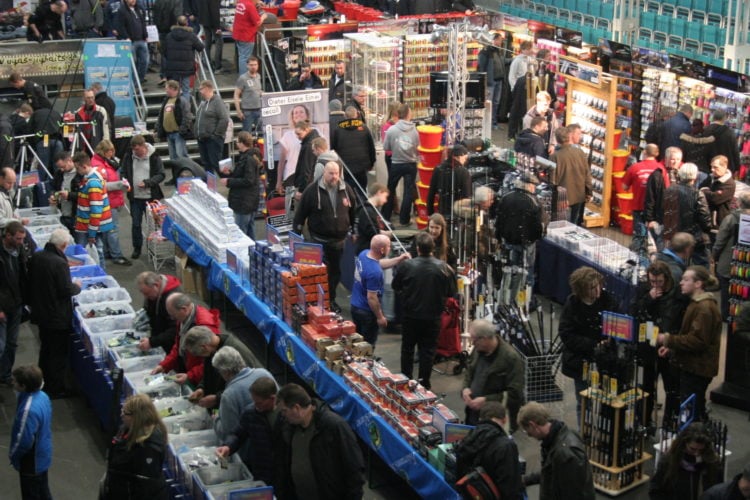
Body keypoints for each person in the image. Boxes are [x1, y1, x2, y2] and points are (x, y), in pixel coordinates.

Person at [275, 383, 365, 500]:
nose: (282, 415)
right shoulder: (288, 427)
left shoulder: (333, 426)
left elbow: (354, 469)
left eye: (284, 411)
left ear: (296, 408)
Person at [657, 266, 722, 420]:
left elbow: (697, 341)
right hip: (691, 366)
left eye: (686, 279)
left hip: (697, 369)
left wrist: (666, 339)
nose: (681, 283)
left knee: (693, 412)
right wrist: (672, 348)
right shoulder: (696, 304)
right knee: (693, 408)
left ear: (698, 283)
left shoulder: (704, 308)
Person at [392, 231, 456, 389]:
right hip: (433, 317)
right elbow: (451, 292)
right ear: (432, 248)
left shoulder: (406, 266)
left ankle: (405, 381)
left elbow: (396, 286)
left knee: (407, 349)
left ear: (418, 248)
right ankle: (424, 383)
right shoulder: (444, 268)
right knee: (427, 351)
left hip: (411, 316)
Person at [293, 161, 357, 313]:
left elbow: (353, 211)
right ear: (324, 173)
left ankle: (331, 300)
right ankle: (316, 301)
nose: (334, 176)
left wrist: (354, 229)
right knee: (319, 273)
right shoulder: (311, 191)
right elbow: (300, 214)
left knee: (335, 273)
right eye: (331, 173)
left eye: (336, 173)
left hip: (339, 242)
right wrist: (296, 235)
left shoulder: (346, 189)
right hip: (318, 242)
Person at [559, 266, 618, 423]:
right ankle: (584, 432)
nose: (597, 290)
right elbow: (566, 334)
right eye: (592, 288)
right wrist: (592, 344)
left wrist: (610, 339)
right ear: (581, 289)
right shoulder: (572, 304)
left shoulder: (608, 300)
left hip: (605, 359)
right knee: (584, 400)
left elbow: (617, 323)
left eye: (598, 285)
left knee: (607, 399)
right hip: (580, 361)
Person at [27, 229, 81, 399]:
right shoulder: (59, 263)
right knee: (58, 354)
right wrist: (77, 286)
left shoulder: (38, 256)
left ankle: (42, 381)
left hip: (41, 313)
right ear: (64, 245)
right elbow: (65, 289)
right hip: (56, 316)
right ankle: (56, 388)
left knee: (46, 350)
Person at [631, 261, 685, 429]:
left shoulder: (678, 294)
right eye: (652, 281)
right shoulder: (644, 289)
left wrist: (671, 342)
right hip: (648, 346)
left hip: (669, 346)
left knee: (672, 388)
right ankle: (643, 422)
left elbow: (682, 322)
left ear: (666, 278)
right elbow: (633, 311)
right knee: (646, 387)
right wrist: (648, 298)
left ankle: (670, 424)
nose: (655, 285)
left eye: (659, 281)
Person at [517, 401, 595, 500]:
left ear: (532, 425)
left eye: (526, 430)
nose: (528, 435)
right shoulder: (553, 440)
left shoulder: (565, 453)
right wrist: (526, 480)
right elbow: (551, 473)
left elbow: (573, 494)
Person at [102, 394, 169, 500]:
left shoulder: (149, 449)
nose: (121, 415)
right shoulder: (127, 429)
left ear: (137, 417)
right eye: (122, 410)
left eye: (125, 413)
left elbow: (144, 488)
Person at [216, 376, 280, 487]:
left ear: (272, 398)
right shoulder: (250, 413)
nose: (256, 406)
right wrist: (228, 446)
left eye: (259, 403)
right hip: (261, 473)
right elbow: (238, 433)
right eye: (254, 401)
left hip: (282, 475)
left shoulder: (285, 415)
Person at [462, 319, 525, 428]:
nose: (472, 343)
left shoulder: (511, 358)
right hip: (473, 413)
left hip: (495, 420)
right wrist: (465, 388)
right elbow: (469, 370)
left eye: (475, 340)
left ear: (485, 339)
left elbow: (515, 394)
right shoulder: (478, 349)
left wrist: (486, 400)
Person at [455, 402, 524, 500]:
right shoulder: (506, 446)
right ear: (505, 420)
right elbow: (510, 489)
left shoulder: (468, 438)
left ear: (480, 419)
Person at [350, 234, 409, 347]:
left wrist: (399, 259)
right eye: (388, 246)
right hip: (367, 312)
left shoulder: (364, 254)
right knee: (367, 345)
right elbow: (372, 298)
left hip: (355, 306)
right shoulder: (375, 273)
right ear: (382, 249)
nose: (390, 248)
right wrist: (380, 317)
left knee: (358, 342)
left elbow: (378, 264)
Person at [183, 325, 261, 409]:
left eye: (197, 354)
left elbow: (244, 385)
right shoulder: (211, 350)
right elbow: (209, 373)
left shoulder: (234, 353)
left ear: (204, 347)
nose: (200, 357)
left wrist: (217, 398)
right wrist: (202, 388)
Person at [151, 293, 221, 386]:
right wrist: (164, 365)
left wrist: (190, 376)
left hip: (200, 380)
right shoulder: (183, 319)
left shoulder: (205, 327)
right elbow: (179, 345)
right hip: (189, 371)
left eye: (173, 315)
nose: (172, 318)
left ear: (184, 309)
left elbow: (211, 363)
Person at [495, 171, 544, 303]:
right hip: (526, 245)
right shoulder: (533, 202)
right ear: (527, 185)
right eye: (533, 185)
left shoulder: (506, 197)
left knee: (509, 271)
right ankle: (525, 300)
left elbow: (499, 221)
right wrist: (533, 239)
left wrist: (499, 238)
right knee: (526, 273)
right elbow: (538, 227)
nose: (534, 189)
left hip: (508, 242)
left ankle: (507, 298)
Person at [212, 346, 274, 443]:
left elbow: (228, 433)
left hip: (249, 452)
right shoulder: (264, 373)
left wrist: (216, 419)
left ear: (226, 372)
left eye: (219, 371)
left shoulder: (229, 395)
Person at [9, 365, 53, 500]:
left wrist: (13, 455)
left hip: (31, 461)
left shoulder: (28, 411)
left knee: (31, 494)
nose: (12, 383)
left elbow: (24, 440)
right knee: (43, 491)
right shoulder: (43, 396)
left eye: (15, 381)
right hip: (43, 452)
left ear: (23, 386)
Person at [120, 135, 165, 260]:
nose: (137, 154)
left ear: (144, 146)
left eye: (138, 150)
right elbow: (123, 171)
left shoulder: (154, 156)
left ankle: (154, 248)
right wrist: (124, 181)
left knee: (153, 224)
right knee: (135, 224)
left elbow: (161, 174)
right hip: (135, 198)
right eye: (135, 151)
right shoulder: (129, 156)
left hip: (151, 197)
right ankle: (137, 248)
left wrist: (148, 183)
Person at [649, 422, 721, 500]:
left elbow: (718, 491)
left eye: (701, 450)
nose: (696, 454)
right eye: (692, 449)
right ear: (684, 443)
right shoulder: (669, 461)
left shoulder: (712, 463)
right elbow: (656, 491)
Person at [91, 139, 131, 266]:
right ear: (103, 151)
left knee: (108, 229)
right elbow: (101, 185)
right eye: (110, 151)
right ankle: (117, 255)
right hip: (107, 201)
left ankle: (109, 252)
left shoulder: (107, 162)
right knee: (113, 229)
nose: (112, 153)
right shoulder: (98, 165)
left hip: (112, 199)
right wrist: (120, 184)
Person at [662, 162, 711, 266]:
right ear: (695, 176)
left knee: (672, 264)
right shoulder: (697, 193)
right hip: (693, 237)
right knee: (701, 268)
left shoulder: (669, 190)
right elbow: (704, 218)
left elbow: (662, 211)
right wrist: (707, 229)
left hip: (673, 235)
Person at [713, 192, 750, 321]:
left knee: (727, 297)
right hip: (746, 267)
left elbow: (720, 242)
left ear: (739, 203)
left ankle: (727, 323)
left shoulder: (730, 218)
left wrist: (715, 256)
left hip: (728, 265)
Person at [623, 143, 662, 263]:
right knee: (655, 239)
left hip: (638, 207)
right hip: (655, 211)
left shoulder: (634, 167)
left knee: (639, 237)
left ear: (644, 152)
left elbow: (624, 186)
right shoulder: (661, 169)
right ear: (657, 154)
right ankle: (653, 263)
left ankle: (636, 262)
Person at [73, 151, 113, 268]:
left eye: (77, 168)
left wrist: (91, 234)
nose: (77, 171)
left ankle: (99, 274)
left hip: (92, 226)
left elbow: (96, 211)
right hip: (92, 225)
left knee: (96, 253)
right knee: (96, 252)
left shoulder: (93, 183)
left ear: (84, 166)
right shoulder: (91, 177)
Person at [0, 221, 28, 385]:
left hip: (16, 304)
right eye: (18, 239)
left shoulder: (20, 251)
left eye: (22, 239)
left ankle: (4, 375)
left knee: (11, 343)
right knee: (1, 346)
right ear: (8, 235)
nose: (21, 242)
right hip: (2, 307)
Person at [382, 103, 420, 226]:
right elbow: (418, 148)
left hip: (396, 163)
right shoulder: (415, 131)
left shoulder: (392, 130)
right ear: (409, 114)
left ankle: (385, 217)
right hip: (411, 163)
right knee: (408, 192)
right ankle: (404, 219)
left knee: (390, 190)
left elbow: (386, 147)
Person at [220, 131, 261, 240]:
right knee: (250, 230)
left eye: (238, 142)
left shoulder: (248, 159)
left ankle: (245, 255)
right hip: (249, 200)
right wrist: (231, 174)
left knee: (241, 232)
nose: (236, 144)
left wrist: (229, 182)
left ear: (242, 143)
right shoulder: (250, 156)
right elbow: (245, 176)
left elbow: (248, 180)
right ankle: (252, 253)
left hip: (244, 201)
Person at [551, 125, 592, 226]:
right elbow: (587, 174)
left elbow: (553, 180)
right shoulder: (580, 152)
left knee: (562, 225)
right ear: (569, 136)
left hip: (563, 197)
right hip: (579, 195)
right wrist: (589, 192)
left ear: (557, 139)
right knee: (575, 224)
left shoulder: (555, 156)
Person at [645, 146, 683, 252]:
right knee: (660, 248)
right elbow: (650, 198)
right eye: (672, 159)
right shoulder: (657, 175)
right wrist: (650, 219)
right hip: (660, 218)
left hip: (677, 219)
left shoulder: (682, 174)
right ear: (666, 159)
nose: (675, 162)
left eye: (678, 159)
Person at [331, 105, 376, 194]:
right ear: (356, 115)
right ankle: (362, 206)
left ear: (345, 116)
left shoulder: (338, 129)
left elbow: (333, 149)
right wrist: (372, 162)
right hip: (362, 165)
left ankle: (352, 206)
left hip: (346, 166)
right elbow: (371, 147)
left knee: (348, 191)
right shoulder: (364, 128)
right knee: (362, 190)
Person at [135, 271, 182, 353]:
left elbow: (175, 329)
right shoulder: (153, 293)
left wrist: (152, 342)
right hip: (159, 336)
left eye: (147, 293)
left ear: (156, 285)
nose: (146, 297)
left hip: (172, 345)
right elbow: (150, 310)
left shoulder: (172, 300)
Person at [275, 104, 313, 197]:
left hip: (311, 176)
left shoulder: (315, 132)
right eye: (295, 112)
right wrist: (279, 181)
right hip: (291, 176)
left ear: (307, 115)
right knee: (292, 208)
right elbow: (282, 161)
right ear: (292, 117)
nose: (298, 114)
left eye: (301, 112)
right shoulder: (287, 135)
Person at [163, 15, 204, 99]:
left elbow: (164, 50)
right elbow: (200, 47)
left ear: (177, 23)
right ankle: (185, 109)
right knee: (186, 90)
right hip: (187, 67)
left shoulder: (169, 36)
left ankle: (174, 108)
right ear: (187, 23)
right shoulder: (191, 35)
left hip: (172, 67)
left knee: (173, 89)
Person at [426, 143, 471, 219]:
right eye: (464, 158)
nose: (465, 160)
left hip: (442, 212)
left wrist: (430, 213)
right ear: (457, 157)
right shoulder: (464, 172)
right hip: (458, 214)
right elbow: (467, 196)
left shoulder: (438, 169)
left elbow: (431, 193)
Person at [195, 80, 230, 174]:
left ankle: (229, 182)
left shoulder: (217, 102)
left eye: (201, 89)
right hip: (203, 139)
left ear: (207, 89)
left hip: (212, 139)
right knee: (207, 164)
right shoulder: (204, 103)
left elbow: (224, 119)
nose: (199, 91)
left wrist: (216, 135)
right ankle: (210, 186)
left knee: (216, 163)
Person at [699, 154, 736, 239]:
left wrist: (706, 192)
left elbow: (715, 199)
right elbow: (699, 190)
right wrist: (710, 193)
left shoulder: (729, 184)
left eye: (715, 167)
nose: (712, 170)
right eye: (711, 167)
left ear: (724, 167)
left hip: (718, 224)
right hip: (706, 221)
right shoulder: (711, 177)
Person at [155, 80, 193, 160]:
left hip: (178, 134)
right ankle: (176, 172)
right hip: (169, 134)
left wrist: (182, 130)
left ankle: (186, 172)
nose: (166, 90)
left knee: (181, 156)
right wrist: (157, 128)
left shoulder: (182, 101)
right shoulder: (166, 100)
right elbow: (161, 115)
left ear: (173, 88)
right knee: (173, 158)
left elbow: (187, 117)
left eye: (167, 88)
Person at [115, 0, 149, 83]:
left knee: (145, 61)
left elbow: (143, 23)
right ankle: (133, 82)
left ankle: (140, 80)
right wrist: (126, 37)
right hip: (131, 41)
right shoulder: (121, 11)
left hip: (141, 39)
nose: (133, 0)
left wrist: (145, 35)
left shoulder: (139, 9)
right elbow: (120, 26)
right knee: (133, 62)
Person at [478, 32, 506, 127]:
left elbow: (503, 61)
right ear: (494, 40)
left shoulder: (499, 51)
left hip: (498, 80)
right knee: (488, 103)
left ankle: (493, 122)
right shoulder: (485, 52)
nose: (501, 42)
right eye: (499, 40)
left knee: (496, 103)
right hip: (490, 82)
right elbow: (481, 67)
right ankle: (486, 123)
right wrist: (484, 82)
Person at [152, 0, 183, 86]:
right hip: (173, 30)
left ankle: (164, 76)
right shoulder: (177, 1)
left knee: (164, 54)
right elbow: (178, 15)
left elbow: (155, 17)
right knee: (174, 54)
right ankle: (172, 77)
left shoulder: (158, 2)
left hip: (161, 30)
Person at [50, 151, 82, 235]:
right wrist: (53, 196)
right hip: (62, 214)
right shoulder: (59, 174)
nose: (62, 169)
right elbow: (53, 188)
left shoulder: (80, 174)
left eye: (63, 167)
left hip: (77, 216)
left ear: (69, 160)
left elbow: (86, 195)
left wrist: (69, 195)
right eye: (59, 167)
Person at [354, 182, 390, 255]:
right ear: (379, 193)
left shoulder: (374, 210)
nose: (385, 201)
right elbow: (373, 232)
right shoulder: (365, 211)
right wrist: (389, 234)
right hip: (367, 251)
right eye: (385, 197)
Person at [522, 91, 559, 156]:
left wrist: (552, 144)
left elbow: (555, 130)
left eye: (548, 104)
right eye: (545, 105)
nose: (547, 107)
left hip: (547, 149)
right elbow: (527, 137)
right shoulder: (529, 117)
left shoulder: (551, 114)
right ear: (538, 102)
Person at [703, 109, 741, 174]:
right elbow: (735, 151)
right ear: (724, 119)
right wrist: (737, 167)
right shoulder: (730, 133)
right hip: (724, 168)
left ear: (713, 118)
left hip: (706, 166)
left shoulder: (704, 130)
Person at [291, 120, 322, 198]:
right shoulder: (313, 141)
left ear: (306, 130)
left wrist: (302, 190)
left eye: (299, 134)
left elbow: (306, 169)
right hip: (312, 184)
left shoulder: (309, 145)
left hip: (308, 187)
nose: (297, 137)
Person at [233, 0, 265, 73]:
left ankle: (243, 78)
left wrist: (256, 4)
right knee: (245, 58)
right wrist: (263, 17)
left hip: (239, 34)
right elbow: (257, 22)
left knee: (242, 57)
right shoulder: (249, 5)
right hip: (246, 35)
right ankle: (244, 79)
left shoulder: (241, 2)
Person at [234, 56, 263, 134]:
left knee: (261, 133)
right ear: (247, 66)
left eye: (255, 64)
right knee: (247, 134)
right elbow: (236, 94)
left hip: (259, 109)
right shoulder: (243, 78)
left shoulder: (258, 76)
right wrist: (238, 111)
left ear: (258, 65)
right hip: (247, 111)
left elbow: (258, 90)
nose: (253, 67)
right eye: (251, 65)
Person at [195, 0, 223, 72]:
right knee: (219, 43)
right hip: (213, 22)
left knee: (207, 42)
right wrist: (218, 27)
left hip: (204, 20)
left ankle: (207, 65)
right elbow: (214, 11)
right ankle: (217, 66)